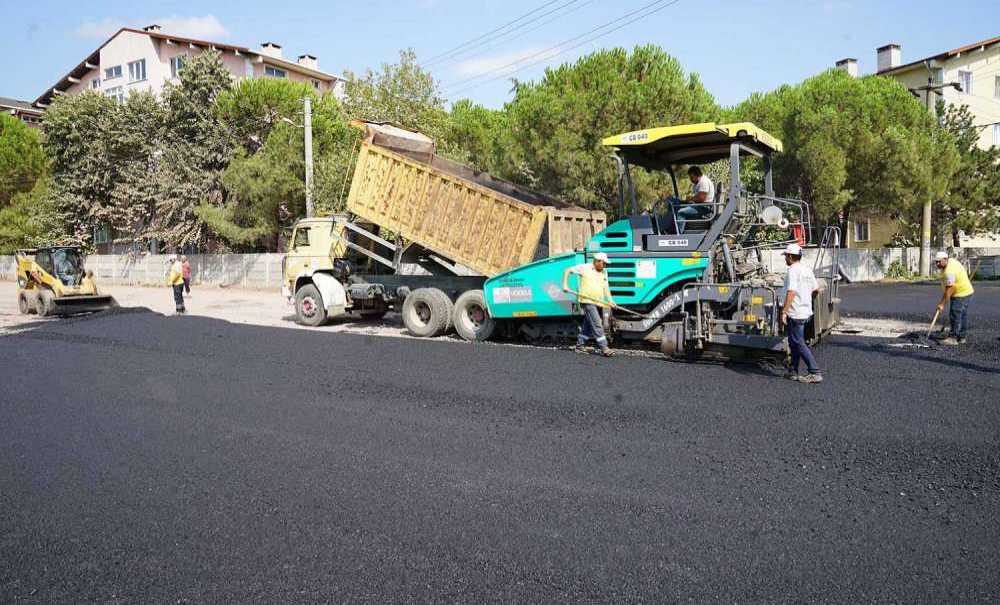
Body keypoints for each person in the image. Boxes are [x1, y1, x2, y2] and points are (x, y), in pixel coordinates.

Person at [780, 242, 822, 383]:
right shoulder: (807, 270)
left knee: (798, 342)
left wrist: (784, 311)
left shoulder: (792, 270)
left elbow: (791, 291)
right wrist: (805, 299)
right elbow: (816, 289)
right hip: (805, 311)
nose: (785, 258)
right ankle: (793, 371)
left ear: (791, 257)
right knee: (793, 342)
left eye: (786, 256)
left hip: (795, 312)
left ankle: (814, 372)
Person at [562, 252, 614, 357]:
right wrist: (565, 284)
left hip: (598, 302)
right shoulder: (584, 268)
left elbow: (606, 287)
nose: (604, 266)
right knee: (597, 323)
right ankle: (604, 347)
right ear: (597, 261)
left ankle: (580, 345)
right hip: (587, 301)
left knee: (589, 325)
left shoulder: (604, 272)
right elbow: (567, 270)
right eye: (603, 263)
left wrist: (610, 300)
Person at [934, 251, 974, 345]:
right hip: (967, 291)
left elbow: (950, 288)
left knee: (955, 314)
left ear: (945, 259)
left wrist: (942, 304)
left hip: (960, 294)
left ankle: (953, 338)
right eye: (936, 262)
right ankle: (962, 337)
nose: (937, 264)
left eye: (939, 262)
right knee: (962, 315)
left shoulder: (949, 271)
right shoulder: (951, 261)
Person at [668, 166, 716, 234]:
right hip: (700, 206)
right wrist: (689, 200)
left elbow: (701, 198)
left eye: (692, 177)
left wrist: (691, 198)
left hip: (704, 208)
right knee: (676, 207)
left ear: (697, 175)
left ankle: (678, 234)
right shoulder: (700, 182)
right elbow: (698, 197)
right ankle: (671, 230)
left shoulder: (703, 182)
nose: (691, 180)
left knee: (681, 212)